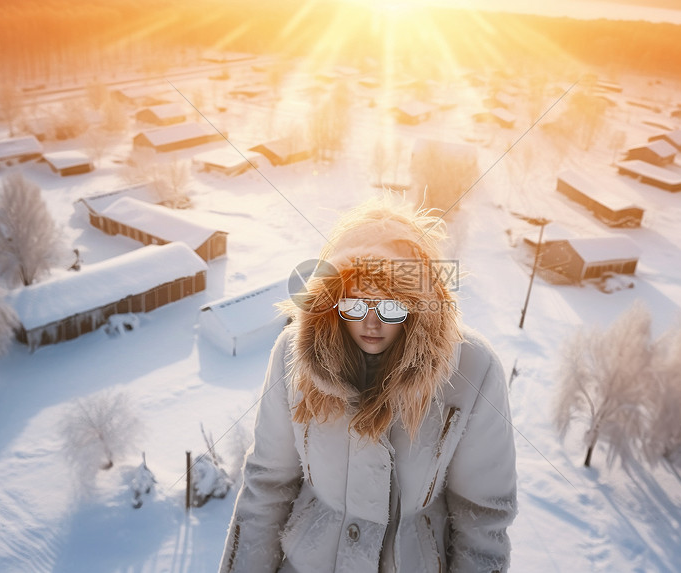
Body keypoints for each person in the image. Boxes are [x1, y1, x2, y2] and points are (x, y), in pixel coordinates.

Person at [219, 196, 517, 573]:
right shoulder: (292, 356)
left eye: (390, 305)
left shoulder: (473, 369)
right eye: (356, 304)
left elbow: (483, 520)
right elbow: (266, 487)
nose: (371, 324)